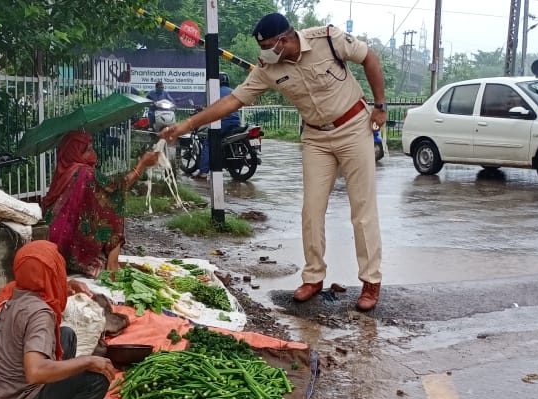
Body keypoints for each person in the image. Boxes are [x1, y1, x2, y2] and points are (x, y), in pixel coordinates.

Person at [159, 13, 389, 311]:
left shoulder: (328, 39)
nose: (265, 51)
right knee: (312, 210)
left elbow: (370, 58)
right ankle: (314, 277)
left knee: (362, 210)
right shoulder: (268, 68)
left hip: (353, 126)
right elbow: (233, 101)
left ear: (285, 38)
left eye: (269, 45)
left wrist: (380, 105)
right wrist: (187, 125)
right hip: (316, 138)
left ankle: (371, 281)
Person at [0, 240, 116, 399]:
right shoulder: (39, 313)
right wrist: (88, 362)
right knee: (97, 378)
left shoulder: (10, 295)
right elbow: (35, 371)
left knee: (66, 335)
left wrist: (65, 285)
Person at [41, 130, 160, 278]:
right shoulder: (86, 173)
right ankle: (111, 264)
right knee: (112, 207)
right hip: (72, 246)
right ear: (76, 152)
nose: (93, 153)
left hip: (53, 242)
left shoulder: (64, 172)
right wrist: (142, 164)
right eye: (88, 150)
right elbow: (117, 188)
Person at [196, 73, 243, 180]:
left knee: (208, 144)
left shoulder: (213, 92)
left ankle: (203, 173)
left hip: (222, 122)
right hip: (236, 122)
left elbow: (207, 108)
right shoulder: (233, 91)